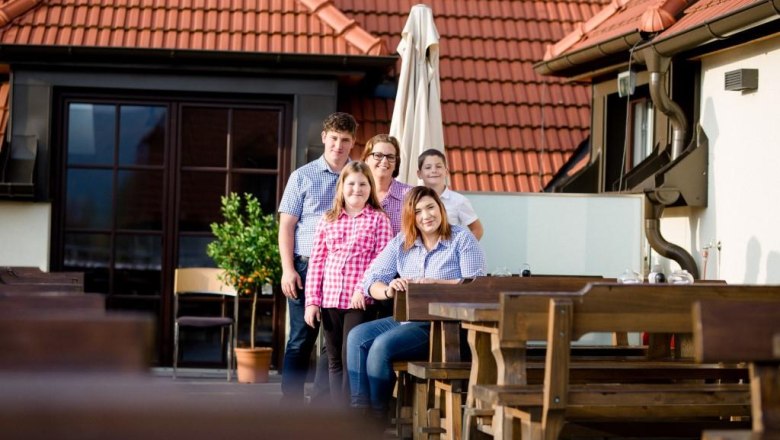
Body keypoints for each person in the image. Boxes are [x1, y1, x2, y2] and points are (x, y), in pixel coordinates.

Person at [345, 186, 486, 416]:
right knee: (357, 337)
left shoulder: (462, 238)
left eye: (430, 207)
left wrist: (436, 283)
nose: (426, 215)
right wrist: (389, 290)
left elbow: (476, 285)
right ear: (411, 217)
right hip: (407, 318)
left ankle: (377, 418)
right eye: (418, 211)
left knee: (381, 346)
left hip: (443, 326)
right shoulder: (402, 242)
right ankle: (360, 413)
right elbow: (371, 280)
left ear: (440, 208)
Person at [277, 112, 357, 404]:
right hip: (306, 265)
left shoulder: (359, 178)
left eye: (345, 140)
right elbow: (286, 225)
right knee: (301, 339)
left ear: (353, 142)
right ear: (325, 137)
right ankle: (291, 403)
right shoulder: (302, 176)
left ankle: (322, 406)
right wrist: (288, 269)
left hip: (345, 271)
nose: (338, 145)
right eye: (334, 138)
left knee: (333, 344)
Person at [303, 162, 394, 404]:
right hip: (330, 299)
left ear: (370, 187)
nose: (357, 189)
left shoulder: (379, 220)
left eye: (363, 184)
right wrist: (312, 302)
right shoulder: (327, 219)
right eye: (351, 183)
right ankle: (338, 415)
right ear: (341, 187)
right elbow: (317, 263)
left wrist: (360, 289)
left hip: (360, 301)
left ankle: (350, 415)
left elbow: (381, 262)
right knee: (333, 361)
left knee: (348, 356)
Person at [417, 148, 484, 240]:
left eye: (438, 166)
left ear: (446, 172)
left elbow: (477, 229)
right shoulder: (414, 200)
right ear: (419, 174)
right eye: (428, 167)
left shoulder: (459, 200)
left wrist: (463, 250)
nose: (434, 171)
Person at [360, 134, 413, 235]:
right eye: (378, 155)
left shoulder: (411, 196)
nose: (384, 161)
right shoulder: (355, 193)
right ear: (367, 159)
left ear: (396, 163)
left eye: (390, 157)